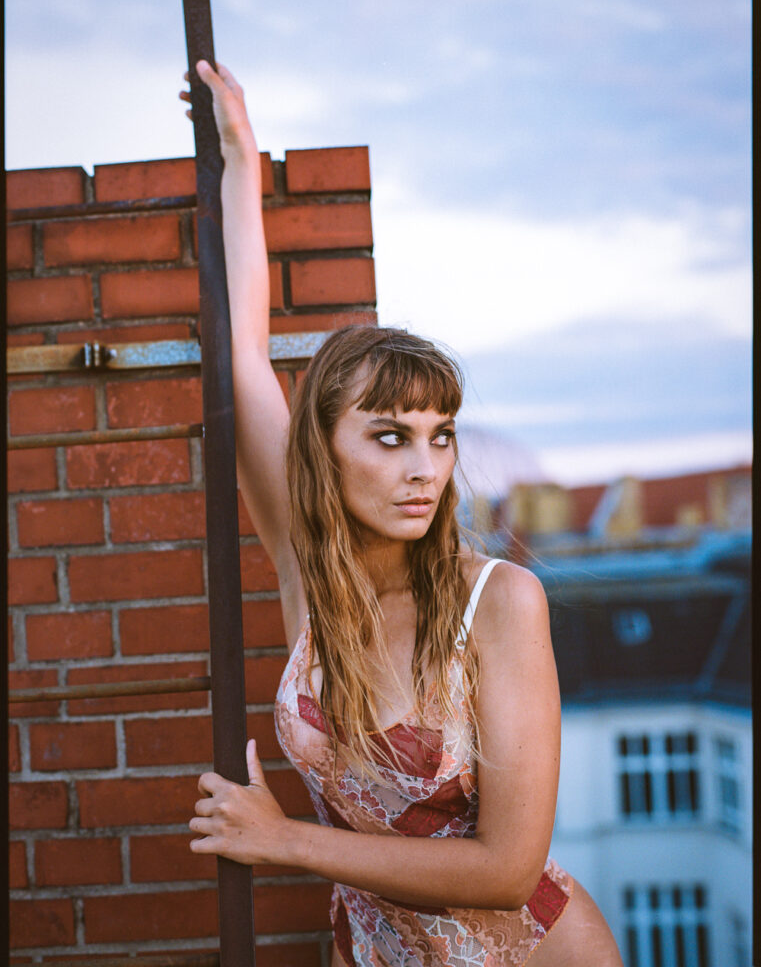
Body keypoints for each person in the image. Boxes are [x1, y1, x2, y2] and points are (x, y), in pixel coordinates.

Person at [181, 60, 623, 967]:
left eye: (440, 436)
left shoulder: (496, 601)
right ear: (324, 450)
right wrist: (239, 154)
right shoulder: (308, 571)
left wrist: (285, 839)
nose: (425, 469)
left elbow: (507, 869)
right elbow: (243, 354)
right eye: (389, 438)